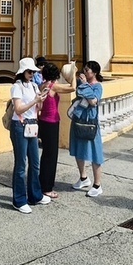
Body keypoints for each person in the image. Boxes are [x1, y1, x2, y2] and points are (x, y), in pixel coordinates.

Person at [10, 57, 50, 213]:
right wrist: (35, 101)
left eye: (33, 71)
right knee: (21, 165)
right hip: (19, 126)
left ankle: (35, 195)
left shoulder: (34, 86)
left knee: (35, 162)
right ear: (22, 72)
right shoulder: (16, 87)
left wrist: (41, 98)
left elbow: (37, 107)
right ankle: (19, 200)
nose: (32, 74)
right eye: (29, 71)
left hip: (32, 125)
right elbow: (18, 109)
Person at [38, 62, 74, 199]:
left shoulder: (43, 86)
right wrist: (74, 73)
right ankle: (47, 188)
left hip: (44, 121)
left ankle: (43, 182)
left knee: (46, 154)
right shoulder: (53, 87)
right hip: (51, 122)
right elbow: (73, 88)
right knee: (51, 156)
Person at [69, 60, 105, 197]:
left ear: (94, 73)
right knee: (78, 150)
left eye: (87, 70)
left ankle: (97, 184)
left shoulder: (97, 86)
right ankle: (83, 178)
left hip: (90, 122)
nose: (85, 72)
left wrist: (85, 85)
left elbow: (93, 102)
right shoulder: (81, 83)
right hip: (79, 119)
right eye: (84, 69)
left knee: (95, 153)